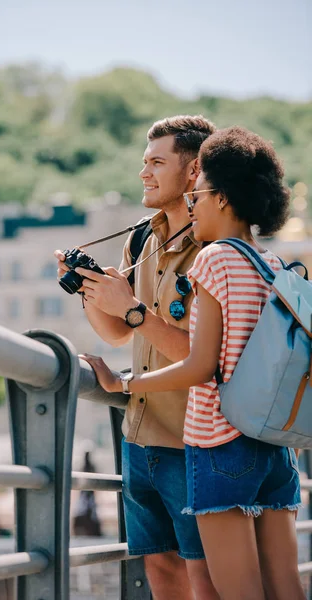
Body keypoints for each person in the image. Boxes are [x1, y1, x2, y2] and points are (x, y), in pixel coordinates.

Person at [81, 126, 305, 600]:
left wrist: (122, 384)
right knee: (285, 587)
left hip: (218, 446)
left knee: (232, 592)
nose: (194, 205)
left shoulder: (213, 259)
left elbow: (203, 365)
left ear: (220, 197)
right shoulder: (273, 265)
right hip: (272, 447)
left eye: (200, 194)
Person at [56, 115, 219, 600]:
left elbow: (200, 355)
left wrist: (130, 310)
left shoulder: (214, 246)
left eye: (155, 163)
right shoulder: (143, 238)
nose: (143, 174)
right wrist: (91, 290)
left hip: (195, 442)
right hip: (139, 438)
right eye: (143, 163)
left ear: (193, 173)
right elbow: (117, 333)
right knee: (162, 573)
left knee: (204, 576)